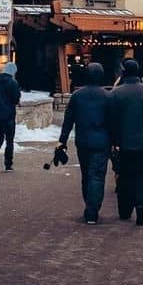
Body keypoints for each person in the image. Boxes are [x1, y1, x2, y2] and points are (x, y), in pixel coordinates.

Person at [106, 58, 143, 227]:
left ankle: (125, 208)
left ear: (123, 72)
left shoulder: (115, 93)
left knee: (124, 176)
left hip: (123, 144)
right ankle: (141, 205)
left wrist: (115, 138)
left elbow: (110, 119)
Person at [56, 62, 111, 223]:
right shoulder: (107, 96)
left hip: (83, 141)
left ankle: (89, 203)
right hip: (102, 142)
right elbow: (113, 121)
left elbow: (68, 121)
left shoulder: (77, 96)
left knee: (86, 174)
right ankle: (92, 209)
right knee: (97, 176)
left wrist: (62, 141)